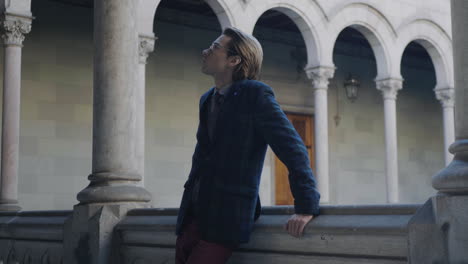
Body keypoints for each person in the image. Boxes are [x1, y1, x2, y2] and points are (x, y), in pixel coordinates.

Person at [175, 27, 321, 264]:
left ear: (233, 60)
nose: (205, 51)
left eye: (214, 47)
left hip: (225, 219)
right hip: (192, 218)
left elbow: (293, 148)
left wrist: (306, 206)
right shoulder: (207, 99)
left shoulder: (255, 95)